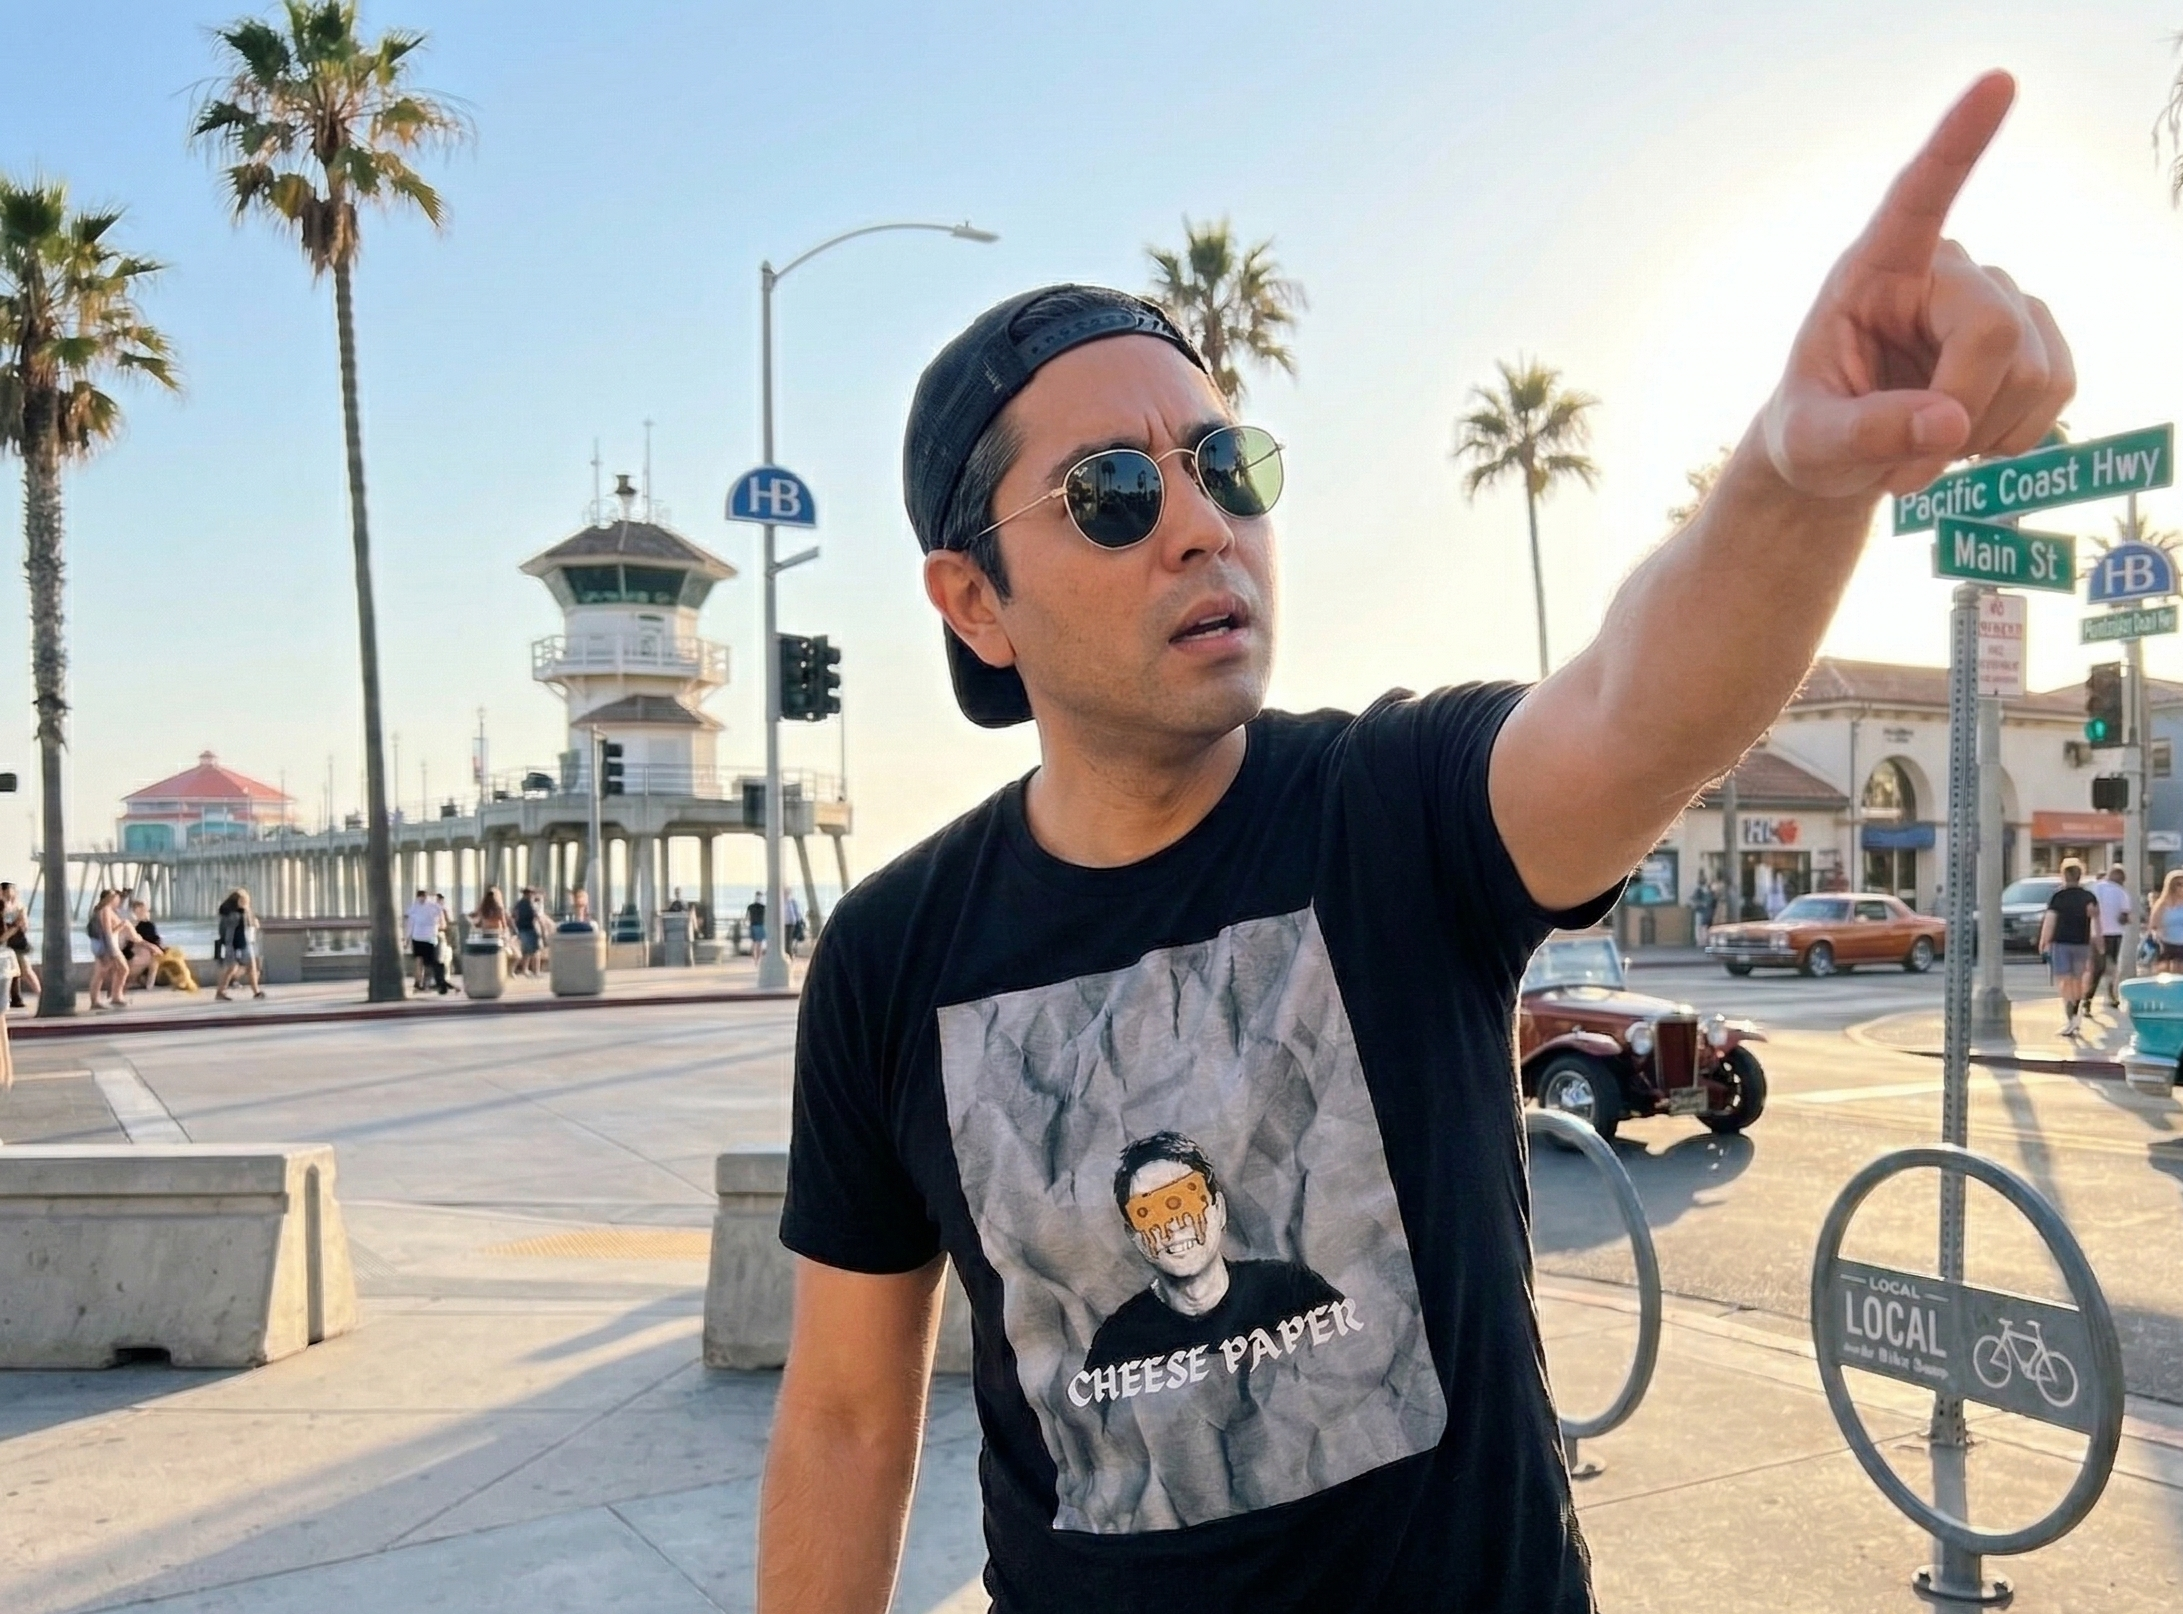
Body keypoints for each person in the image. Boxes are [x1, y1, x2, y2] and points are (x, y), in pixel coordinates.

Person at [759, 75, 2072, 1614]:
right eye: (1112, 492)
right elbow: (848, 1413)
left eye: (1223, 464)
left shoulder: (1394, 809)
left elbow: (1632, 703)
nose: (1199, 524)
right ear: (973, 601)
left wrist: (1793, 474)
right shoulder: (890, 956)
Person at [2039, 859, 2102, 1038]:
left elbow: (2050, 920)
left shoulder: (2058, 897)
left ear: (2064, 875)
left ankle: (2071, 1015)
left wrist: (2044, 941)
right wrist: (2099, 941)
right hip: (2081, 943)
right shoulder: (2088, 897)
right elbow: (2095, 921)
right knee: (2078, 979)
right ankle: (2075, 1012)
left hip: (2061, 943)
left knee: (2064, 980)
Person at [2087, 863, 2133, 1012]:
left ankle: (2088, 1000)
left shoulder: (2094, 887)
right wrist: (2126, 919)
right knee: (2112, 966)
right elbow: (2123, 916)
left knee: (2097, 968)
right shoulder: (2121, 892)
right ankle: (2111, 996)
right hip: (2114, 934)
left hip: (2095, 933)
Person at [215, 888, 263, 1001]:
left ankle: (256, 992)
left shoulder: (242, 912)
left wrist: (250, 916)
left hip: (244, 942)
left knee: (251, 967)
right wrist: (246, 912)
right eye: (244, 900)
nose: (246, 902)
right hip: (234, 943)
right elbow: (233, 926)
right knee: (231, 968)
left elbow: (252, 924)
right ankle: (221, 991)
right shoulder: (231, 914)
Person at [86, 890, 126, 1010]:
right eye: (117, 898)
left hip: (105, 946)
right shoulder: (105, 910)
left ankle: (113, 997)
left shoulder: (103, 910)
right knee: (106, 972)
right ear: (111, 899)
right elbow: (107, 932)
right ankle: (101, 1000)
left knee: (103, 972)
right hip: (109, 946)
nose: (118, 900)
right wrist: (110, 952)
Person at [0, 883, 37, 1008]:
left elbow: (24, 925)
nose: (8, 894)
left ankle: (40, 994)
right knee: (11, 973)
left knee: (25, 970)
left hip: (18, 943)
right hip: (6, 944)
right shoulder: (2, 905)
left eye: (11, 891)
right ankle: (15, 998)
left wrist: (15, 927)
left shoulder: (19, 907)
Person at [405, 888, 448, 995]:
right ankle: (427, 981)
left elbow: (410, 924)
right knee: (430, 961)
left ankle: (419, 981)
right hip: (430, 938)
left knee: (419, 960)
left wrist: (407, 939)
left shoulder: (414, 908)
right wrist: (439, 926)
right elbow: (443, 921)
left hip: (418, 937)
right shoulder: (434, 906)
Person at [2151, 870, 2183, 970]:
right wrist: (2157, 935)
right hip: (2166, 946)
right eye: (2179, 884)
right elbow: (2153, 925)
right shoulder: (2161, 905)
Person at [1689, 875, 1715, 946]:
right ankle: (1705, 940)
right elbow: (1711, 899)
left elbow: (1694, 899)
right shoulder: (1708, 890)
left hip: (1700, 910)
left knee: (1699, 926)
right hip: (1707, 910)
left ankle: (1700, 940)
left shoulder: (1699, 890)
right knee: (1705, 926)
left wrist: (1698, 903)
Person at [783, 892, 805, 959]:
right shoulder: (782, 902)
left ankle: (790, 956)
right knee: (787, 941)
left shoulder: (792, 901)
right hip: (784, 923)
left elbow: (797, 912)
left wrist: (799, 921)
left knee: (788, 941)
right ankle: (789, 955)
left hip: (791, 923)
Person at [745, 890, 766, 963]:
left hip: (752, 925)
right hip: (760, 925)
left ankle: (755, 959)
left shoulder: (750, 906)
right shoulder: (763, 907)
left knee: (754, 943)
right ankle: (758, 959)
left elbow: (747, 917)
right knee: (759, 944)